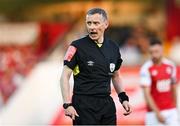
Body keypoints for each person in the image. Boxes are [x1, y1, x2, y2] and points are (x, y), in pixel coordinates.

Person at [60, 8, 131, 125]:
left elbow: (116, 75)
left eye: (96, 23)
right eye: (89, 23)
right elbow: (64, 76)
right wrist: (67, 104)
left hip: (106, 104)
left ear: (106, 24)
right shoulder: (76, 46)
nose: (92, 27)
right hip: (83, 105)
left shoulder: (113, 47)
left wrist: (123, 98)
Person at [140, 37, 179, 126]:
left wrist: (175, 108)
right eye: (151, 52)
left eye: (156, 51)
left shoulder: (170, 66)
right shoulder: (146, 68)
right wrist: (157, 113)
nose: (154, 55)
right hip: (153, 113)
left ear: (162, 50)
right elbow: (147, 94)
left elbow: (173, 88)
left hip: (171, 110)